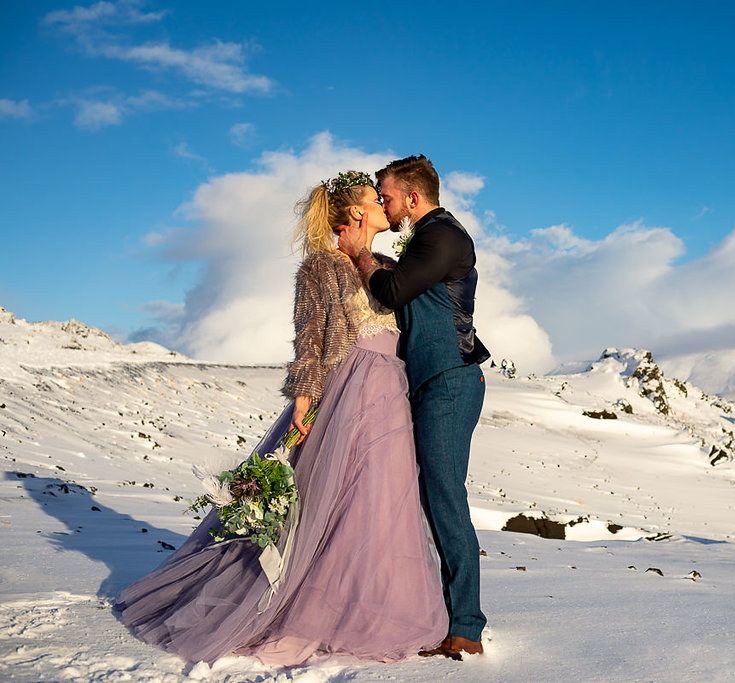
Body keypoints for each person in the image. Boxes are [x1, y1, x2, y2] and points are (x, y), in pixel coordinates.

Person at [114, 171, 448, 667]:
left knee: (383, 499)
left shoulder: (384, 264)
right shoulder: (320, 266)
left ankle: (372, 608)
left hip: (391, 389)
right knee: (331, 499)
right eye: (374, 199)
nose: (383, 203)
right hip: (351, 388)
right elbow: (310, 339)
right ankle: (308, 608)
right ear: (355, 211)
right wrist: (304, 400)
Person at [337, 155, 490, 658]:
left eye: (387, 194)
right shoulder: (429, 237)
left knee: (445, 498)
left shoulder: (443, 235)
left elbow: (393, 291)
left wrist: (362, 254)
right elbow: (409, 291)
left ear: (413, 196)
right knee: (432, 499)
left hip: (448, 380)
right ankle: (444, 617)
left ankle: (466, 628)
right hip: (430, 381)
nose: (383, 202)